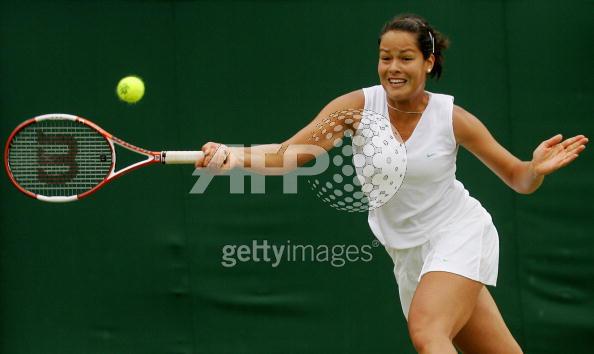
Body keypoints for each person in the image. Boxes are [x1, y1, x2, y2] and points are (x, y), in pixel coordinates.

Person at [195, 14, 588, 354]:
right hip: (408, 255)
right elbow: (288, 154)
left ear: (429, 62)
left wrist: (534, 168)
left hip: (458, 233)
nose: (393, 68)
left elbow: (518, 178)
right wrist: (232, 156)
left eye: (406, 58)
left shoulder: (453, 118)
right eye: (385, 58)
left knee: (427, 332)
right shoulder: (356, 108)